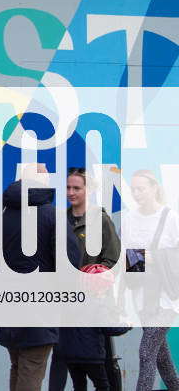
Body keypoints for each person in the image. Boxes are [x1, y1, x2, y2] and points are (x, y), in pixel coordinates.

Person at [0, 164, 82, 391]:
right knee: (31, 368)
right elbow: (69, 263)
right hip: (40, 308)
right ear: (43, 183)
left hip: (5, 305)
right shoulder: (51, 215)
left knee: (18, 364)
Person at [50, 167, 122, 391]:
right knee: (61, 356)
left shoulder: (100, 220)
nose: (71, 192)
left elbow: (113, 260)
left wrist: (95, 280)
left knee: (102, 359)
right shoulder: (59, 220)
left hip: (95, 303)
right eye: (68, 188)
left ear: (88, 190)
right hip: (65, 301)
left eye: (76, 188)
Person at [122, 170, 179, 391]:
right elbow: (129, 259)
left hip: (167, 298)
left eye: (141, 188)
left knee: (146, 352)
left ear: (154, 188)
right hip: (142, 297)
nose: (136, 193)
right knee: (161, 357)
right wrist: (145, 257)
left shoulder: (171, 218)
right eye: (133, 189)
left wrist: (157, 256)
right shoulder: (129, 219)